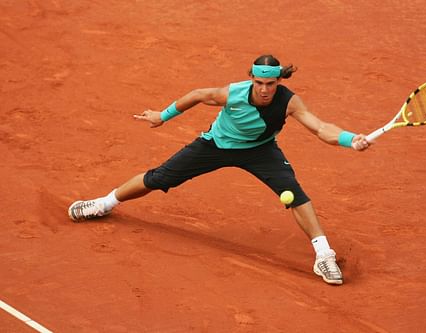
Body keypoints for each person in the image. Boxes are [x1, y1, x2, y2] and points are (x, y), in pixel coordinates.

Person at [68, 54, 370, 285]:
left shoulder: (289, 102)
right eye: (259, 83)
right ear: (251, 79)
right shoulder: (232, 94)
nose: (265, 90)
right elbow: (198, 94)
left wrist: (349, 139)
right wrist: (163, 115)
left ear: (279, 81)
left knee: (294, 193)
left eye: (271, 84)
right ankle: (103, 204)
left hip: (260, 150)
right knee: (159, 178)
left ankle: (323, 255)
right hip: (214, 146)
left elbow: (320, 128)